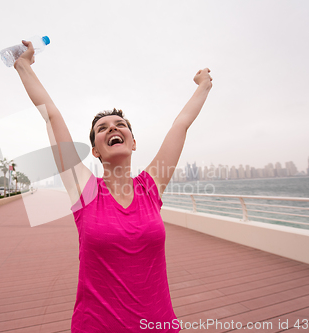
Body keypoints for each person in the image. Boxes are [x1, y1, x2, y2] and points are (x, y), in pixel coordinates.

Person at [14, 40, 212, 332]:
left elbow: (181, 124)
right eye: (102, 128)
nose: (112, 128)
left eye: (120, 124)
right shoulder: (85, 189)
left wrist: (203, 84)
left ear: (133, 142)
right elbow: (52, 115)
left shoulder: (150, 187)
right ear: (95, 150)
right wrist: (23, 66)